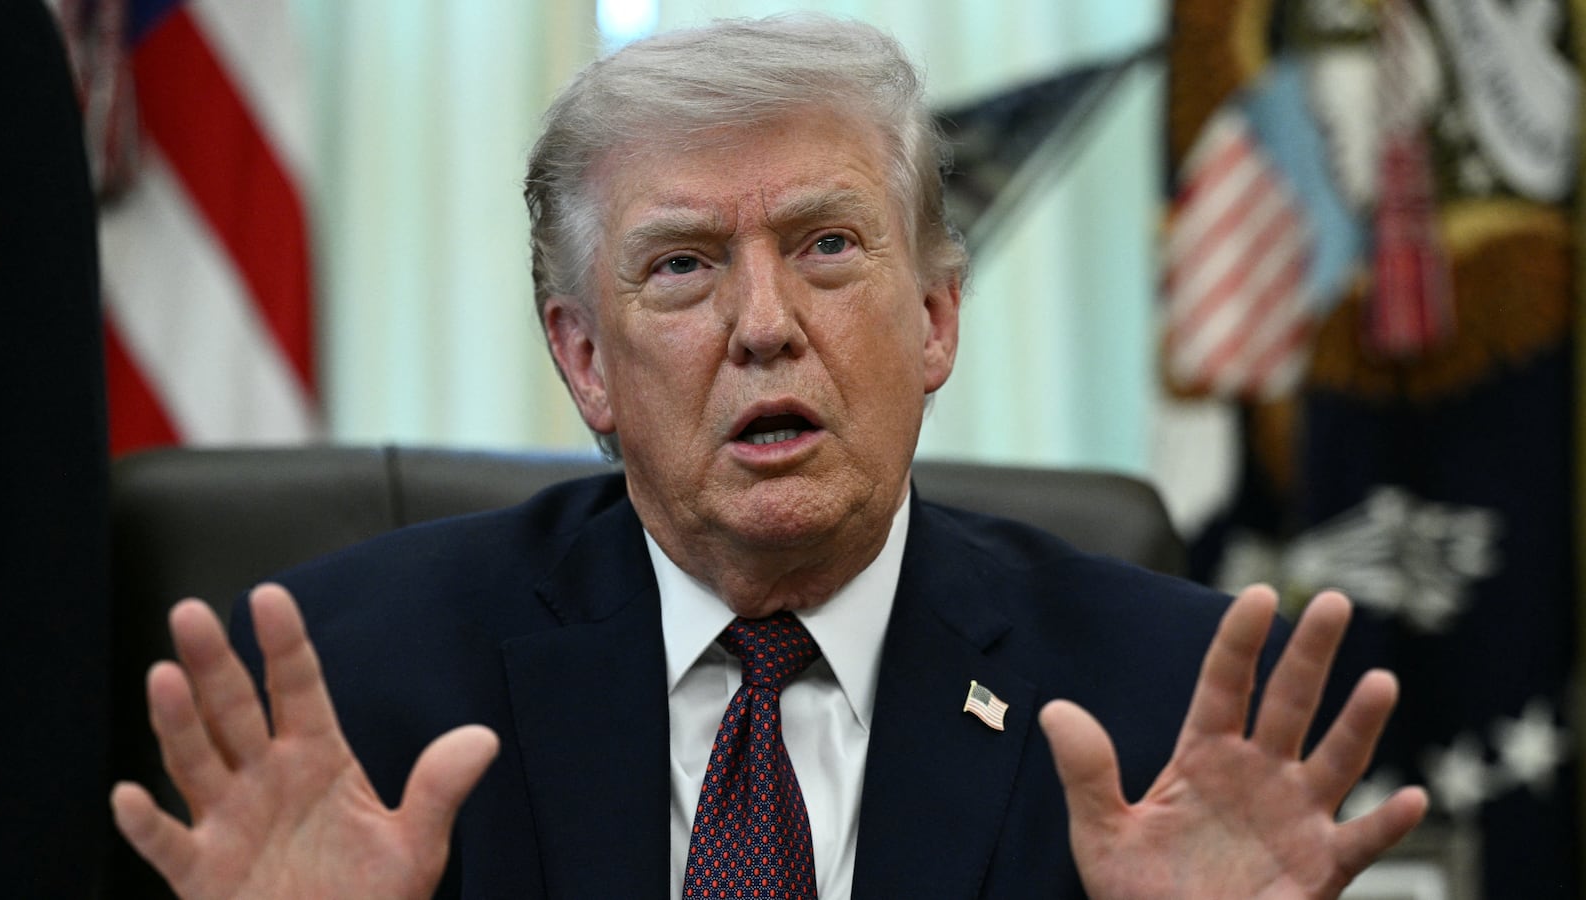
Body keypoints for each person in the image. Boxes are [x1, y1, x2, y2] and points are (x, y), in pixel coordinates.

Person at [110, 15, 1428, 899]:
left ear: (934, 319)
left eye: (828, 247)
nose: (763, 326)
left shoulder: (1169, 707)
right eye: (681, 267)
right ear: (583, 360)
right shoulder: (350, 697)